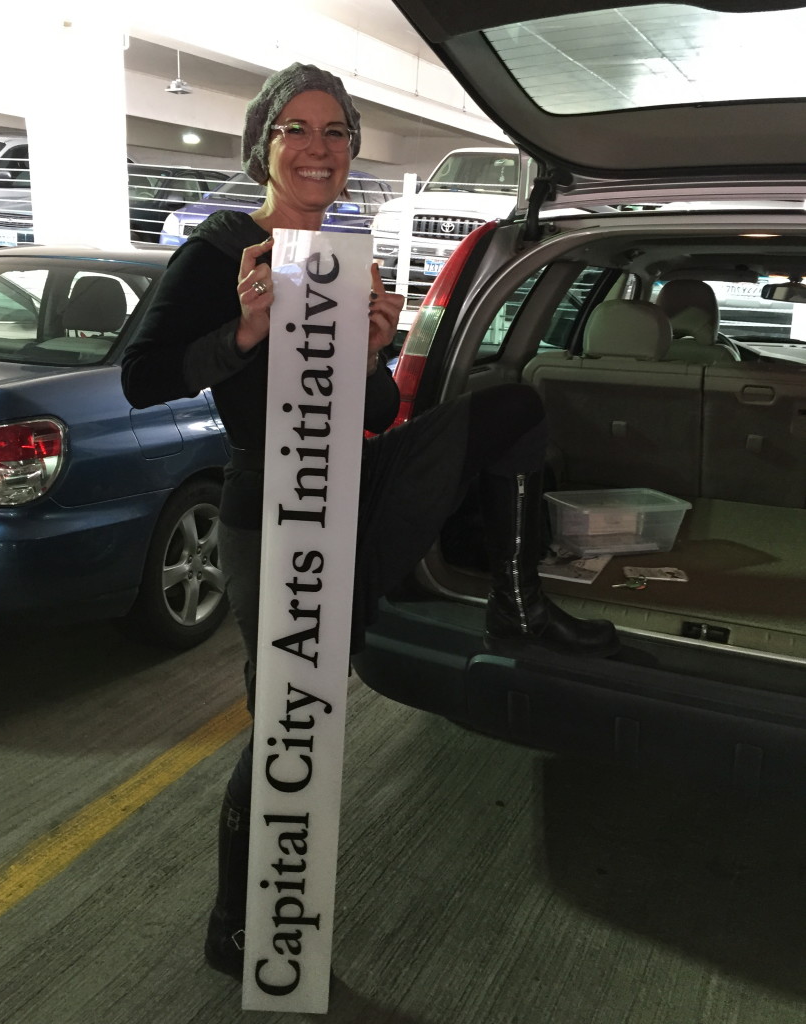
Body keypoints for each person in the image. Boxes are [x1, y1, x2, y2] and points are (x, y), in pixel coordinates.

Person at [121, 62, 618, 982]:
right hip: (271, 501)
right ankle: (238, 923)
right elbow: (141, 378)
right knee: (292, 716)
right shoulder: (223, 250)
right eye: (296, 129)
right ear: (263, 144)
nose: (318, 149)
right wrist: (244, 330)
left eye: (335, 132)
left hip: (355, 478)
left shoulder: (343, 261)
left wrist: (375, 351)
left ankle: (515, 603)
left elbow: (378, 411)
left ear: (351, 149)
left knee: (511, 409)